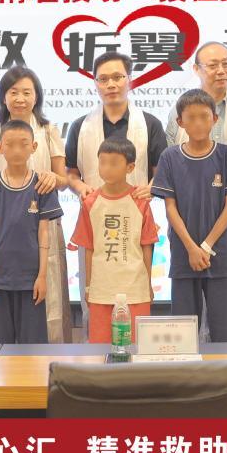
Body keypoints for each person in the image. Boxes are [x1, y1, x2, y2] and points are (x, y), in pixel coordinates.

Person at [165, 41, 227, 342]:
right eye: (212, 65)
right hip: (188, 226)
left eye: (226, 63)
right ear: (196, 69)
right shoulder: (178, 112)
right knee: (187, 321)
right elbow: (171, 182)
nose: (221, 71)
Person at [65, 51, 167, 333]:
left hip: (134, 220)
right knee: (96, 299)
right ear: (95, 83)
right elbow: (70, 172)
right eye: (103, 79)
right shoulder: (80, 126)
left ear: (129, 80)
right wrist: (80, 186)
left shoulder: (150, 124)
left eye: (117, 77)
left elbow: (162, 171)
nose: (111, 84)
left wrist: (152, 188)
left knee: (135, 306)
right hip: (95, 220)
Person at [0, 66, 72, 342]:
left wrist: (52, 178)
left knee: (46, 301)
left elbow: (63, 179)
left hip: (41, 223)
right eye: (13, 92)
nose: (20, 98)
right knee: (1, 312)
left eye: (27, 92)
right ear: (3, 97)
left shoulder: (48, 131)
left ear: (36, 96)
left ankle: (47, 359)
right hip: (3, 226)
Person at [153, 89, 227, 342]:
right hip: (184, 257)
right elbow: (170, 209)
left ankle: (226, 370)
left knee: (226, 334)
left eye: (204, 116)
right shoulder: (169, 157)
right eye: (191, 117)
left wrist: (205, 247)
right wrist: (191, 248)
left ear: (214, 119)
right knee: (182, 337)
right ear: (180, 122)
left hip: (219, 256)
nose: (198, 123)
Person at [0, 120, 63, 344]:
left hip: (31, 280)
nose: (17, 150)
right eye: (10, 145)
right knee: (0, 347)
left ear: (34, 147)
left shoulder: (41, 185)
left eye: (23, 144)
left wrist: (42, 277)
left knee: (34, 348)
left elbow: (44, 234)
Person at [71, 138, 159, 344]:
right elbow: (88, 248)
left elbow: (147, 246)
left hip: (135, 290)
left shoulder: (140, 201)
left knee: (136, 348)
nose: (106, 168)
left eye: (113, 163)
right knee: (101, 350)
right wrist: (88, 287)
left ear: (130, 167)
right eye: (102, 162)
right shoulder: (90, 202)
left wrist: (147, 284)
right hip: (102, 290)